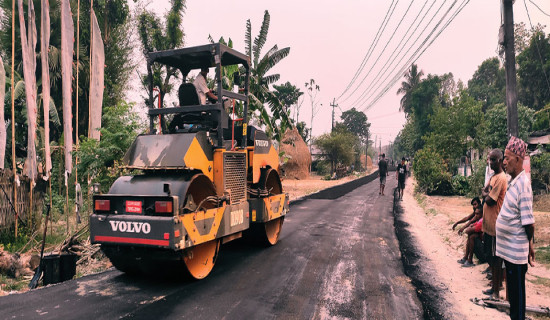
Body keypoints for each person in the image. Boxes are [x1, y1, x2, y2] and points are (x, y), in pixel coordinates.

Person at [496, 136, 535, 319]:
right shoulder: (515, 181)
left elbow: (529, 223)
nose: (504, 162)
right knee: (514, 297)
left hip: (516, 253)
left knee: (517, 300)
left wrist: (530, 246)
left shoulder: (524, 185)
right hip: (510, 252)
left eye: (507, 158)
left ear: (518, 159)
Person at [482, 148, 508, 299]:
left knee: (496, 259)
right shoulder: (493, 177)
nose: (490, 162)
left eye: (492, 159)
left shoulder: (501, 178)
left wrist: (486, 194)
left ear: (499, 160)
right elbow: (484, 191)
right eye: (489, 159)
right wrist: (486, 193)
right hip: (489, 226)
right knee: (490, 257)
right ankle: (494, 286)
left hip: (496, 225)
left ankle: (496, 291)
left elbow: (490, 200)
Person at [453, 197, 483, 267]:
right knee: (471, 235)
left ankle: (469, 259)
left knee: (472, 236)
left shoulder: (481, 213)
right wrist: (458, 223)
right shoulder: (477, 212)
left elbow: (471, 221)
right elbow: (468, 218)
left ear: (479, 203)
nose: (474, 206)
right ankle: (466, 258)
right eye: (473, 205)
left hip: (481, 239)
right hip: (477, 231)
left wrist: (463, 228)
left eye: (475, 204)